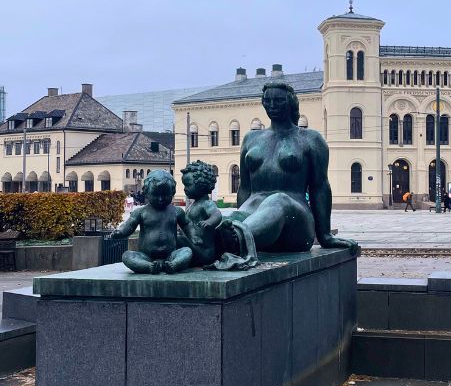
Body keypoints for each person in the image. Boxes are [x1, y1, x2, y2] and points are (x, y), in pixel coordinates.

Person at [216, 80, 356, 259]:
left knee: (278, 200)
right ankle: (208, 244)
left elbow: (319, 187)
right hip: (255, 215)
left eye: (279, 101)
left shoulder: (311, 139)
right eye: (267, 101)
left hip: (295, 222)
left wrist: (325, 236)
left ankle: (230, 243)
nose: (272, 106)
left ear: (290, 103)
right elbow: (245, 188)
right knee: (232, 218)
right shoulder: (251, 138)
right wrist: (239, 214)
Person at [111, 170, 193, 274]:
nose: (160, 199)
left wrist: (194, 236)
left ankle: (174, 265)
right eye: (156, 195)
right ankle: (149, 267)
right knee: (127, 256)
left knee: (187, 251)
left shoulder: (176, 211)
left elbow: (187, 225)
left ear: (172, 192)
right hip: (145, 256)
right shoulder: (141, 212)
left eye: (165, 195)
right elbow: (129, 225)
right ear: (146, 192)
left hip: (171, 255)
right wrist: (120, 232)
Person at [177, 160, 223, 266]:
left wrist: (209, 222)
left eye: (188, 185)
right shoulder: (192, 205)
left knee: (179, 240)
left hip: (204, 252)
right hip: (193, 247)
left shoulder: (207, 203)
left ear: (201, 185)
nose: (185, 189)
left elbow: (217, 214)